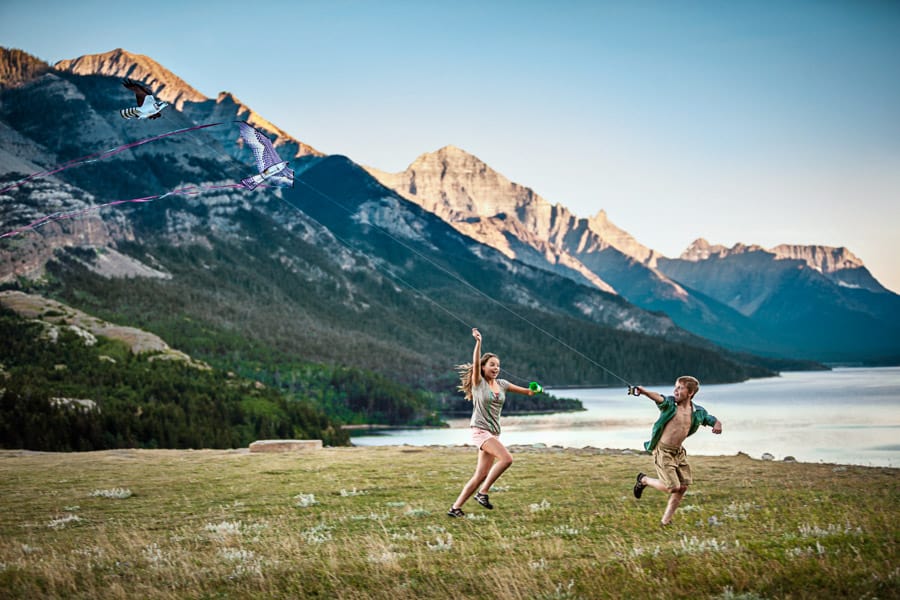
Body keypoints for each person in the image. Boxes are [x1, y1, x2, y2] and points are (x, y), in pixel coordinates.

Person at [447, 327, 538, 517]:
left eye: (498, 365)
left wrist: (534, 389)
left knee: (480, 475)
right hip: (480, 431)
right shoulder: (478, 383)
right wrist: (478, 343)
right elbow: (474, 361)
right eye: (492, 365)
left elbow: (527, 392)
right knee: (507, 459)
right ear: (483, 367)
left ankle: (455, 509)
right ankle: (482, 493)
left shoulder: (503, 384)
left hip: (494, 432)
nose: (496, 368)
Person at [631, 376, 723, 525]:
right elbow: (658, 398)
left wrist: (717, 423)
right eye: (675, 387)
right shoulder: (670, 405)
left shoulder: (698, 412)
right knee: (673, 487)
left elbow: (709, 418)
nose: (675, 390)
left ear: (691, 392)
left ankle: (665, 521)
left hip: (678, 452)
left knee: (683, 487)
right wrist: (644, 392)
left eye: (680, 388)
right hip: (663, 451)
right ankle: (644, 480)